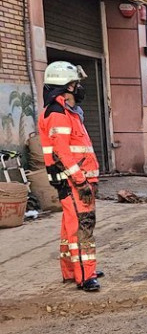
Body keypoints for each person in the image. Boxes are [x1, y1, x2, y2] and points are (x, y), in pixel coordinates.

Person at [38, 61, 102, 292]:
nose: (79, 88)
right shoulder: (57, 113)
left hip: (75, 178)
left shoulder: (67, 112)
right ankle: (86, 275)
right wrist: (81, 181)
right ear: (64, 86)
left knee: (69, 227)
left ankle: (72, 270)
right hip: (74, 180)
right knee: (82, 227)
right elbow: (62, 152)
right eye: (75, 84)